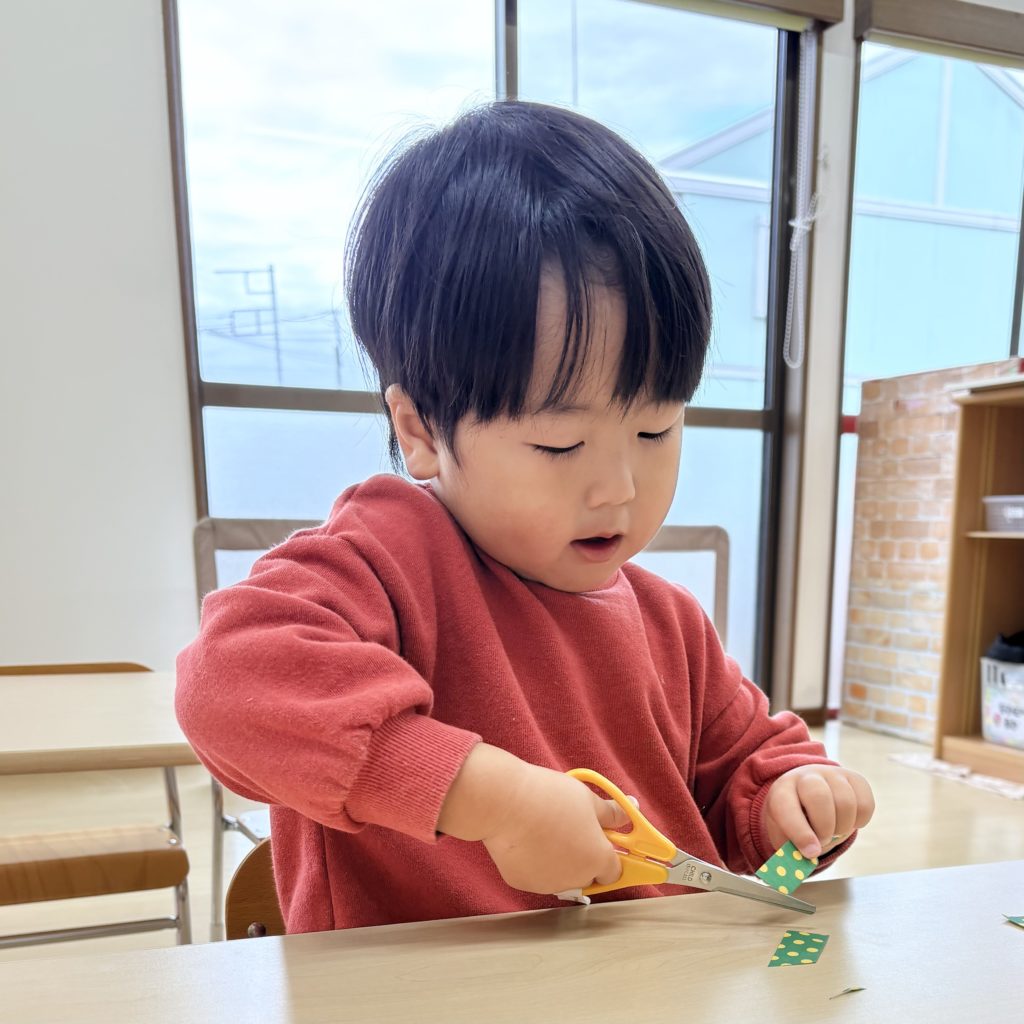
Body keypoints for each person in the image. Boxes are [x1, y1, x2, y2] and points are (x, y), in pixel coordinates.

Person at [176, 100, 874, 934]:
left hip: (655, 983)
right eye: (558, 444)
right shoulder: (386, 560)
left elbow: (747, 787)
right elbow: (225, 684)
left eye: (655, 429)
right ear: (420, 432)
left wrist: (796, 802)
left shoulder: (670, 623)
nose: (617, 488)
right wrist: (490, 799)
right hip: (432, 991)